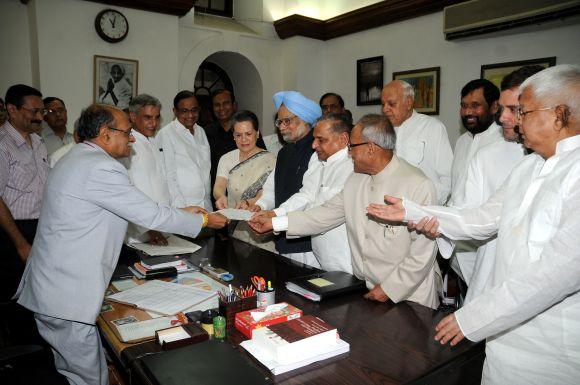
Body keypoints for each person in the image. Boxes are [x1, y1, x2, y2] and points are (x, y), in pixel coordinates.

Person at [367, 64, 580, 385]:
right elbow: (481, 217)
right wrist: (412, 212)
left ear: (558, 115)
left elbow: (557, 273)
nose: (514, 121)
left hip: (554, 348)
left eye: (523, 111)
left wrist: (475, 316)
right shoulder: (529, 167)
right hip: (505, 339)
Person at [15, 103, 227, 385]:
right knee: (89, 379)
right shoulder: (101, 167)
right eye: (127, 132)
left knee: (75, 369)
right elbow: (149, 214)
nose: (131, 138)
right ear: (105, 133)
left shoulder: (77, 157)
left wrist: (184, 212)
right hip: (67, 296)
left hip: (52, 288)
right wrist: (203, 222)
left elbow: (137, 206)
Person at [250, 114, 441, 309]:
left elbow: (423, 252)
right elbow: (325, 214)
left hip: (410, 296)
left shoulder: (418, 185)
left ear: (371, 148)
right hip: (367, 289)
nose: (349, 153)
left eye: (352, 147)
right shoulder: (356, 180)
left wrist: (390, 289)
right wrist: (275, 222)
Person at [447, 65, 543, 304]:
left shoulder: (526, 154)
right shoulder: (525, 163)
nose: (504, 118)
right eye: (504, 109)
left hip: (528, 287)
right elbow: (482, 214)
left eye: (514, 109)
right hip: (476, 255)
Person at [250, 113, 354, 272]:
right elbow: (306, 195)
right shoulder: (318, 161)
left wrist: (275, 223)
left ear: (343, 139)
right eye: (314, 138)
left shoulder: (351, 167)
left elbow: (324, 216)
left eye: (321, 140)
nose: (314, 145)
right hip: (321, 256)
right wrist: (274, 213)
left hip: (344, 259)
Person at [242, 91, 320, 265]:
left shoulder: (317, 151)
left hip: (307, 244)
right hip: (282, 238)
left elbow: (308, 196)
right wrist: (259, 206)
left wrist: (273, 214)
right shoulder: (285, 152)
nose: (281, 127)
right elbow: (271, 189)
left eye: (287, 121)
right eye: (279, 122)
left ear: (305, 119)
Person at [448, 79, 502, 292]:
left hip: (485, 242)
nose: (467, 111)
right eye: (464, 105)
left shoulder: (505, 143)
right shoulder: (462, 142)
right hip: (457, 242)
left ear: (494, 106)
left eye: (475, 105)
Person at [0, 85, 48, 302]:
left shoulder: (38, 142)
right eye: (33, 111)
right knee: (17, 295)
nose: (39, 117)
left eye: (42, 111)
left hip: (41, 227)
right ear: (12, 109)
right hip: (13, 230)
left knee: (39, 292)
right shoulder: (3, 145)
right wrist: (20, 243)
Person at [381, 80, 453, 205]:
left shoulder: (432, 127)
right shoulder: (382, 130)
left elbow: (447, 176)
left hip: (423, 209)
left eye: (391, 104)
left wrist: (428, 207)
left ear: (408, 103)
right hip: (389, 207)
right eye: (383, 104)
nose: (385, 109)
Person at [213, 110, 276, 249]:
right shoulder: (226, 159)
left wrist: (249, 203)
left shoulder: (271, 160)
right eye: (238, 135)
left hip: (261, 227)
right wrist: (221, 197)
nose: (244, 140)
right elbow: (219, 186)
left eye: (248, 134)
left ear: (257, 133)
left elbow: (265, 194)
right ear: (233, 136)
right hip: (236, 229)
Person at [124, 94, 171, 245]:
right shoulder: (129, 146)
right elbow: (133, 192)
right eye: (148, 117)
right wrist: (150, 229)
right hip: (142, 235)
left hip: (160, 228)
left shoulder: (152, 142)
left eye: (157, 117)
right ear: (133, 116)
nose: (154, 123)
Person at [203, 89, 266, 199]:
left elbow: (262, 161)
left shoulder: (251, 132)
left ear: (234, 105)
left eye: (226, 103)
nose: (221, 108)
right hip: (219, 197)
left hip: (254, 199)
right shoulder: (206, 133)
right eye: (217, 105)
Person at [158, 91, 212, 211]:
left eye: (194, 110)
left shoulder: (201, 132)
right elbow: (168, 175)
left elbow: (205, 168)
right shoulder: (167, 134)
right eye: (184, 111)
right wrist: (181, 209)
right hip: (184, 207)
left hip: (205, 206)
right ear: (175, 111)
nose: (190, 115)